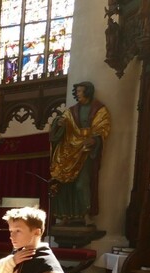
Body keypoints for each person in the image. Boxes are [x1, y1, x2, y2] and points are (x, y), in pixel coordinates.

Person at [49, 81, 111, 225]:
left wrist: (95, 140)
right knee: (65, 183)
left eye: (80, 91)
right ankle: (68, 215)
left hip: (85, 151)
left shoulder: (99, 109)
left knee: (81, 184)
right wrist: (59, 123)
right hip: (70, 150)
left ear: (87, 92)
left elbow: (103, 127)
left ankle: (85, 214)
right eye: (76, 91)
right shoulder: (71, 110)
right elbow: (62, 121)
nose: (77, 94)